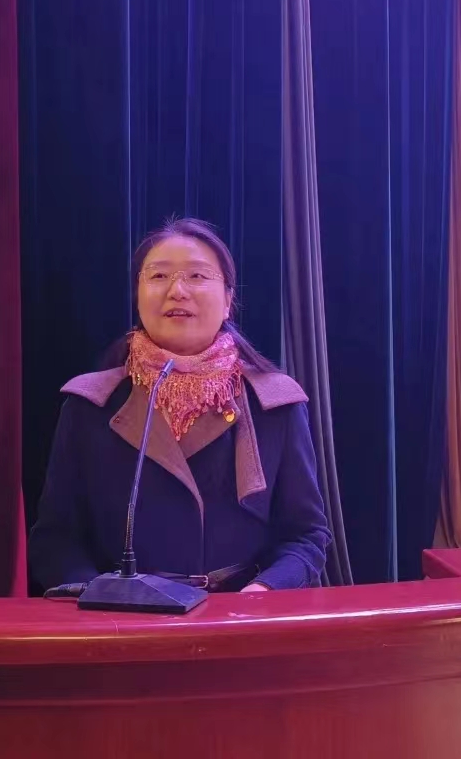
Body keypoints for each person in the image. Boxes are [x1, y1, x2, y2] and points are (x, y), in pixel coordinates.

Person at [28, 217, 330, 594]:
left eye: (197, 276)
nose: (177, 291)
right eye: (158, 276)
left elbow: (306, 535)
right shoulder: (89, 405)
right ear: (138, 296)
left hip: (237, 614)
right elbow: (55, 539)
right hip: (122, 617)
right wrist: (103, 598)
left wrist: (262, 593)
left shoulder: (275, 403)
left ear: (228, 301)